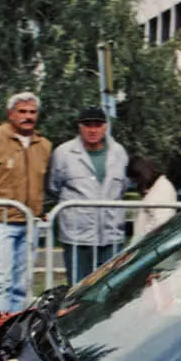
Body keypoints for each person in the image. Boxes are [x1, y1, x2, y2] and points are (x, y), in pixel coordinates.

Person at [0, 92, 51, 315]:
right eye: (22, 111)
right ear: (10, 114)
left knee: (22, 285)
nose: (28, 116)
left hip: (30, 222)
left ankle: (15, 336)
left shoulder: (44, 145)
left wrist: (45, 209)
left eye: (32, 112)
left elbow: (48, 181)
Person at [48, 106, 130, 285]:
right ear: (79, 126)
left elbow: (122, 187)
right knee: (78, 290)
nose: (93, 130)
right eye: (87, 125)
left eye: (97, 125)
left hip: (111, 235)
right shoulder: (63, 153)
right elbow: (54, 186)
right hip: (77, 236)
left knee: (110, 288)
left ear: (105, 126)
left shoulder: (119, 152)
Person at [128, 154, 178, 243]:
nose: (135, 184)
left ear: (141, 176)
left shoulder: (161, 190)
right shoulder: (156, 188)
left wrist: (140, 239)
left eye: (135, 180)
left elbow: (161, 222)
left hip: (152, 245)